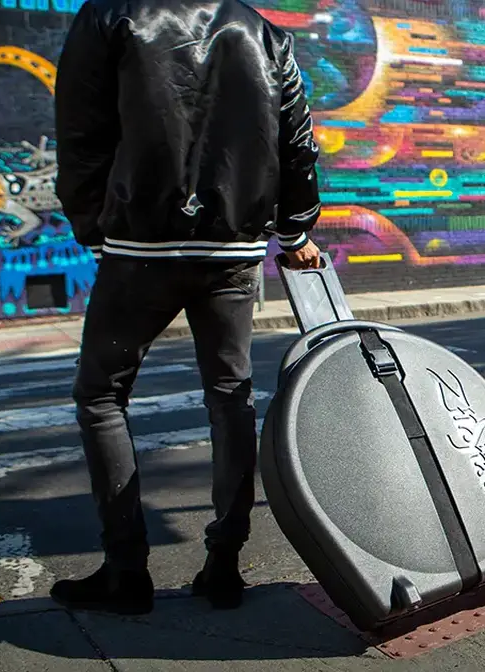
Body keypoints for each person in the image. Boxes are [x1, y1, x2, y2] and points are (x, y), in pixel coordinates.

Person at [49, 0, 323, 615]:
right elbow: (297, 137)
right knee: (230, 396)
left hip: (139, 248)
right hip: (233, 247)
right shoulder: (260, 28)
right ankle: (224, 566)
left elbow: (80, 127)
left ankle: (126, 571)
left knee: (101, 395)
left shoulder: (109, 15)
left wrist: (92, 224)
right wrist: (296, 231)